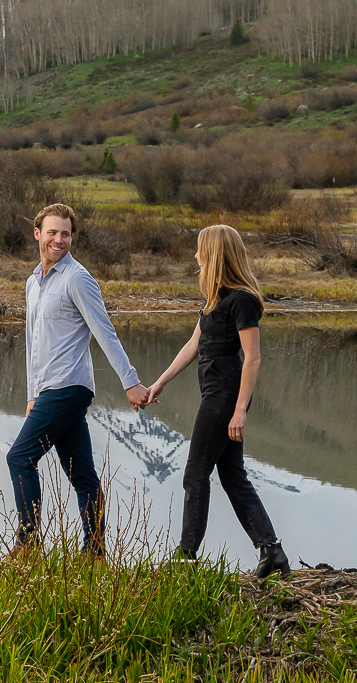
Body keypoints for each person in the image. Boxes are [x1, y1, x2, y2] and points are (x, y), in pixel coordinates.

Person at [5, 204, 151, 559]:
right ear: (37, 233)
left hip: (70, 385)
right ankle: (95, 552)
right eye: (52, 232)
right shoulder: (32, 282)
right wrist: (31, 395)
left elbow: (105, 333)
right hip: (48, 389)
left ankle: (28, 544)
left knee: (19, 458)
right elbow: (32, 342)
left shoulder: (77, 278)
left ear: (72, 237)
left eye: (66, 233)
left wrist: (130, 382)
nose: (59, 239)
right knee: (81, 474)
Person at [144, 224, 290, 578]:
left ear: (215, 255)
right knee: (233, 476)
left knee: (196, 474)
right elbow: (194, 345)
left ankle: (185, 558)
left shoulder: (241, 300)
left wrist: (240, 410)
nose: (195, 256)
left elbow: (253, 358)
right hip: (215, 392)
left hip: (226, 394)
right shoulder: (214, 299)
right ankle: (272, 552)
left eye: (200, 250)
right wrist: (160, 382)